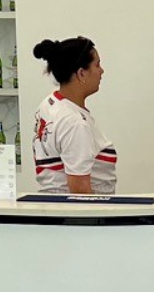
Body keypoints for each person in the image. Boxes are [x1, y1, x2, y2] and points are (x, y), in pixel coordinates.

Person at [30, 36, 116, 195]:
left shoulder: (49, 104)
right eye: (97, 65)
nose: (101, 71)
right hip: (75, 216)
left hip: (53, 206)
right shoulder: (74, 123)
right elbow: (80, 191)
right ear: (81, 74)